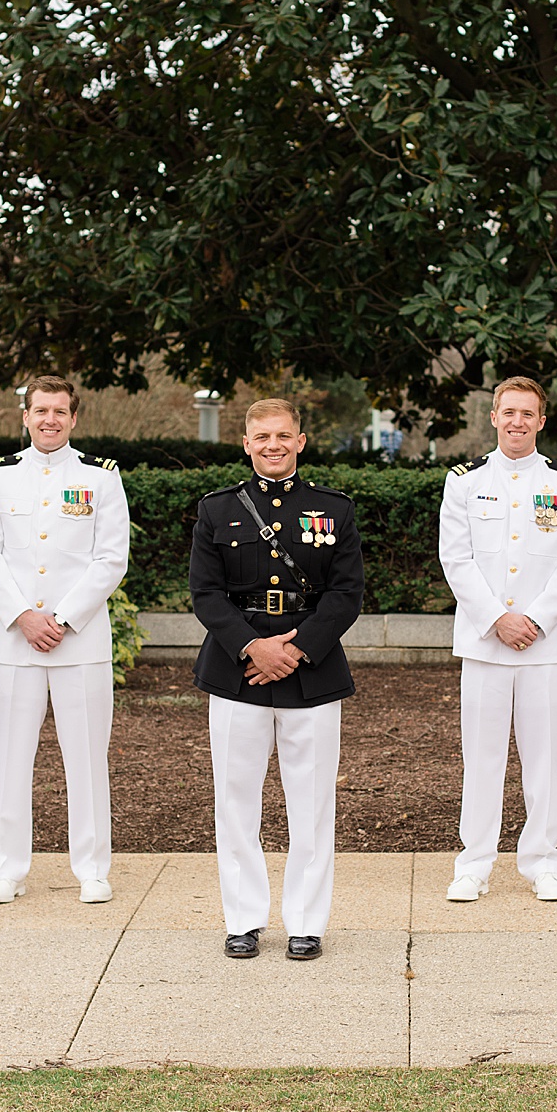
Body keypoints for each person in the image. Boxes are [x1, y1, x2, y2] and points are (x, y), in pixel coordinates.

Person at [189, 399, 364, 961]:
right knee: (236, 801)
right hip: (238, 668)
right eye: (261, 436)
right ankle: (243, 918)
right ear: (245, 443)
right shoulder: (217, 511)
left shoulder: (332, 509)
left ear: (301, 440)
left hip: (309, 670)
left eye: (282, 435)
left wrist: (297, 649)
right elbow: (206, 594)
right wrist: (252, 646)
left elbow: (346, 593)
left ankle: (306, 922)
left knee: (310, 804)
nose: (272, 445)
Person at [0, 375, 130, 905]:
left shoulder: (101, 479)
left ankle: (92, 868)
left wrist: (60, 618)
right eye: (41, 410)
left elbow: (111, 559)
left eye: (60, 411)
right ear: (25, 415)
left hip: (79, 643)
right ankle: (7, 870)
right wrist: (24, 616)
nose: (50, 420)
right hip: (16, 642)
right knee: (11, 758)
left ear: (74, 418)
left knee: (86, 758)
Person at [438, 376, 557, 903]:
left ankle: (545, 863)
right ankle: (474, 864)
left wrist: (536, 621)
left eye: (528, 413)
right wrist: (497, 620)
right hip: (484, 644)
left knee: (544, 757)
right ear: (493, 417)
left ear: (541, 421)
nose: (517, 421)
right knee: (481, 758)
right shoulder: (463, 482)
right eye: (508, 412)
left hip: (545, 647)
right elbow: (455, 560)